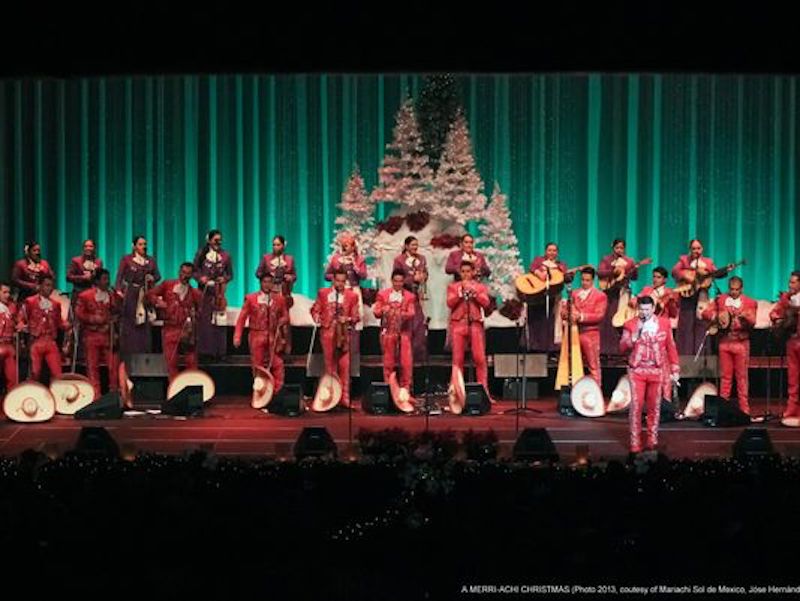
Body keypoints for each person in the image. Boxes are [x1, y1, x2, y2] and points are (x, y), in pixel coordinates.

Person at [620, 296, 680, 454]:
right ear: (638, 309)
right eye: (642, 309)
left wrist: (675, 369)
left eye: (647, 309)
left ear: (653, 309)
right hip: (637, 370)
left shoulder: (664, 324)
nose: (644, 313)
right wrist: (632, 339)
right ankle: (635, 442)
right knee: (636, 406)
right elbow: (621, 348)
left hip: (657, 370)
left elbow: (671, 347)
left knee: (654, 407)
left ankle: (652, 440)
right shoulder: (630, 324)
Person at [700, 276, 757, 415]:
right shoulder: (721, 300)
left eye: (737, 290)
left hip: (741, 343)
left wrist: (745, 316)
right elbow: (705, 313)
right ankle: (723, 409)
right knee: (725, 378)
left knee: (742, 379)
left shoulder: (750, 302)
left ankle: (744, 409)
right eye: (731, 289)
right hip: (725, 342)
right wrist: (717, 316)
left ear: (741, 289)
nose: (734, 292)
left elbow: (753, 321)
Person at [671, 239, 733, 356]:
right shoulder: (684, 260)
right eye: (694, 248)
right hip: (687, 296)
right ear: (690, 249)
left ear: (702, 249)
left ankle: (700, 356)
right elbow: (675, 271)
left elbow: (715, 273)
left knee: (701, 323)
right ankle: (685, 355)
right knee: (686, 325)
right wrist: (688, 274)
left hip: (702, 296)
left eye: (698, 248)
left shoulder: (708, 262)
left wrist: (725, 270)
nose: (696, 251)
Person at [310, 269, 360, 408]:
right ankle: (331, 397)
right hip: (327, 333)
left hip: (344, 335)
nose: (340, 284)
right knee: (330, 366)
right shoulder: (323, 293)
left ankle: (344, 399)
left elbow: (356, 316)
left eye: (343, 281)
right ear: (333, 280)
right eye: (338, 280)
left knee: (345, 366)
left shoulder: (352, 296)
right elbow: (315, 309)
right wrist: (317, 317)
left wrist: (348, 318)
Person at [234, 273, 290, 395]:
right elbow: (242, 318)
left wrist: (282, 320)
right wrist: (237, 336)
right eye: (265, 282)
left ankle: (277, 391)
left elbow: (286, 316)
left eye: (270, 282)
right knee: (258, 365)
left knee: (277, 363)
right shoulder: (251, 298)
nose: (267, 284)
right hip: (256, 335)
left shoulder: (279, 299)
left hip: (272, 335)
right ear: (260, 283)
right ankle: (260, 392)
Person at [146, 263, 202, 380]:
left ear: (191, 275)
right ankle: (174, 391)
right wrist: (158, 301)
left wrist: (192, 319)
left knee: (191, 362)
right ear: (179, 272)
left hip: (186, 330)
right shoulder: (168, 285)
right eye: (183, 273)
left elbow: (200, 312)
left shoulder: (195, 293)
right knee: (171, 362)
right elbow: (150, 294)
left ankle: (192, 390)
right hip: (170, 329)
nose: (185, 276)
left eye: (188, 274)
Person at [446, 261, 492, 400]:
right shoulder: (453, 287)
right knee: (457, 360)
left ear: (473, 272)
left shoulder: (480, 287)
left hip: (475, 324)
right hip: (458, 324)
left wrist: (475, 293)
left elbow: (486, 303)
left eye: (468, 271)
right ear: (460, 273)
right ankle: (456, 394)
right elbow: (449, 303)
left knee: (480, 359)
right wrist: (460, 294)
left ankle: (484, 393)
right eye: (463, 271)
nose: (466, 274)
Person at [74, 269, 122, 397]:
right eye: (104, 279)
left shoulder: (112, 296)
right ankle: (96, 396)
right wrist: (93, 319)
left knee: (113, 366)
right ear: (97, 281)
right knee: (92, 367)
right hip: (91, 335)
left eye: (108, 279)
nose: (107, 282)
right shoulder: (85, 295)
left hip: (108, 335)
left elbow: (118, 312)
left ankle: (113, 394)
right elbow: (79, 313)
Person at [561, 267, 608, 387]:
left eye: (587, 280)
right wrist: (565, 313)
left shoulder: (600, 295)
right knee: (574, 364)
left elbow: (599, 315)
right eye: (582, 279)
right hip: (574, 333)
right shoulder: (574, 293)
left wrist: (581, 316)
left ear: (593, 280)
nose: (584, 282)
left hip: (590, 334)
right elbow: (565, 312)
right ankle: (575, 392)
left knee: (593, 365)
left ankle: (596, 392)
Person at [19, 275, 70, 382]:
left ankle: (56, 395)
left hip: (50, 341)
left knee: (57, 373)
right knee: (35, 372)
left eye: (51, 286)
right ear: (40, 286)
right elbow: (21, 318)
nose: (50, 288)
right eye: (47, 285)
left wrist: (67, 324)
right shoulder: (30, 301)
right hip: (36, 342)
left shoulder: (56, 304)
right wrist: (21, 325)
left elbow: (59, 323)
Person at [115, 235, 161, 354]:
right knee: (130, 321)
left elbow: (158, 276)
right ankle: (129, 350)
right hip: (131, 294)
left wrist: (152, 278)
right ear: (134, 246)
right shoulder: (127, 259)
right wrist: (119, 291)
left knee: (145, 322)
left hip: (145, 293)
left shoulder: (150, 260)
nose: (143, 247)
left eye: (145, 244)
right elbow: (119, 276)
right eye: (140, 244)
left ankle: (144, 349)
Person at [193, 229, 233, 360]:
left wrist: (224, 279)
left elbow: (230, 274)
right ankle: (205, 352)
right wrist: (201, 278)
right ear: (209, 240)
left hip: (219, 293)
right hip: (204, 293)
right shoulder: (201, 253)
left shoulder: (226, 256)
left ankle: (220, 352)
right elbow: (194, 271)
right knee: (205, 322)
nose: (218, 242)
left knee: (220, 322)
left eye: (220, 240)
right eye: (215, 240)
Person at [373, 269, 416, 390]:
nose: (398, 284)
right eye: (396, 281)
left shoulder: (409, 296)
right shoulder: (383, 294)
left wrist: (397, 312)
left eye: (400, 281)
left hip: (403, 332)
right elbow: (376, 312)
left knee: (406, 362)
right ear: (392, 281)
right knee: (388, 361)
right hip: (388, 332)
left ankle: (405, 388)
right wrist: (383, 310)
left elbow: (411, 313)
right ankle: (388, 386)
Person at [597, 239, 638, 355]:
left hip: (623, 293)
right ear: (613, 247)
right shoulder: (607, 260)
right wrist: (613, 271)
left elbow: (635, 277)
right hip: (610, 293)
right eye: (617, 248)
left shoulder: (629, 261)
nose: (619, 250)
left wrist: (633, 269)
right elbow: (599, 272)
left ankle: (620, 349)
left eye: (621, 248)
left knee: (621, 320)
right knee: (608, 320)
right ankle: (605, 349)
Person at [526, 242, 568, 352]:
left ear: (557, 253)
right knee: (538, 321)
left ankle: (550, 349)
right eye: (549, 250)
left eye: (554, 250)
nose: (552, 252)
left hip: (553, 297)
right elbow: (532, 267)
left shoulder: (561, 265)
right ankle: (536, 347)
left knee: (551, 322)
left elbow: (566, 277)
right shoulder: (539, 260)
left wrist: (564, 274)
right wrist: (538, 273)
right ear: (545, 251)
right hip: (538, 296)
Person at [769, 271, 800, 421]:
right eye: (790, 282)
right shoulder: (786, 298)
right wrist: (778, 319)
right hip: (791, 342)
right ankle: (792, 409)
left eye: (793, 282)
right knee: (793, 378)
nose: (790, 285)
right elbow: (774, 313)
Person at [392, 236, 428, 362]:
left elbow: (425, 273)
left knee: (418, 325)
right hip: (403, 296)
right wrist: (412, 279)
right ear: (406, 246)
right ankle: (401, 357)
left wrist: (423, 276)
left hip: (416, 296)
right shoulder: (399, 260)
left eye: (416, 245)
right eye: (413, 245)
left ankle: (417, 357)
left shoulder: (421, 259)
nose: (415, 247)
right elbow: (397, 278)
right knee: (405, 325)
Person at [0, 282, 21, 391]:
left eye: (9, 292)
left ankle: (11, 402)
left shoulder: (11, 308)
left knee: (12, 378)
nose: (7, 295)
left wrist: (19, 325)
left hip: (9, 346)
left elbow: (17, 322)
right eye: (4, 292)